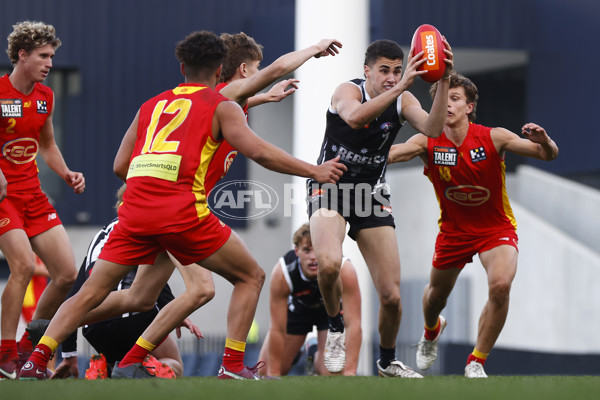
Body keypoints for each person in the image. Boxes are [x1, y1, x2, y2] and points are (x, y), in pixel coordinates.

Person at [18, 30, 346, 380]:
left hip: (137, 211)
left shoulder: (152, 104)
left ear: (181, 67)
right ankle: (232, 367)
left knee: (120, 295)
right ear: (221, 70)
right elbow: (260, 149)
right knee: (248, 276)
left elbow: (119, 166)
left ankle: (39, 357)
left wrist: (156, 177)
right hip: (181, 212)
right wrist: (315, 169)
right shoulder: (222, 104)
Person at [387, 72, 559, 378]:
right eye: (443, 100)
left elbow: (548, 155)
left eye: (455, 99)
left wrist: (543, 140)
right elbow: (390, 155)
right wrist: (359, 150)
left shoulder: (494, 137)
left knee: (501, 286)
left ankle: (476, 361)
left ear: (469, 106)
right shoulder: (427, 140)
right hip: (453, 232)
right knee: (435, 297)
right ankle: (431, 330)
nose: (448, 105)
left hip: (496, 230)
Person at [307, 38, 453, 378]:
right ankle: (335, 328)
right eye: (384, 70)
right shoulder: (348, 91)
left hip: (370, 194)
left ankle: (387, 362)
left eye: (397, 71)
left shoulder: (403, 99)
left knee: (391, 296)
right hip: (329, 186)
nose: (391, 77)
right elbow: (356, 119)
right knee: (328, 265)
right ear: (366, 71)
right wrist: (400, 86)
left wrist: (444, 77)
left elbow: (432, 129)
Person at [44, 185, 205, 379]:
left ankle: (105, 368)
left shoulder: (101, 235)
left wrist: (69, 355)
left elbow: (75, 296)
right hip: (135, 315)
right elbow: (152, 279)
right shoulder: (145, 226)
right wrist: (174, 309)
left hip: (93, 324)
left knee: (120, 362)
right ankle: (149, 367)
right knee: (173, 363)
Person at [0, 20, 85, 380]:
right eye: (43, 56)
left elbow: (47, 145)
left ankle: (25, 348)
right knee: (21, 267)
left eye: (52, 56)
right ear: (22, 55)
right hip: (4, 199)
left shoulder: (45, 97)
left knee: (66, 272)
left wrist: (66, 173)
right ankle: (4, 355)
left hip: (33, 194)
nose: (50, 63)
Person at [257, 223, 361, 376]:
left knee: (332, 372)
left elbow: (354, 324)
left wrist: (350, 372)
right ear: (296, 251)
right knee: (264, 371)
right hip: (299, 310)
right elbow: (277, 328)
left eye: (317, 250)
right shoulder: (283, 272)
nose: (313, 257)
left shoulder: (344, 269)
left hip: (330, 313)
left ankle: (313, 352)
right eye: (307, 250)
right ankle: (299, 351)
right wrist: (273, 373)